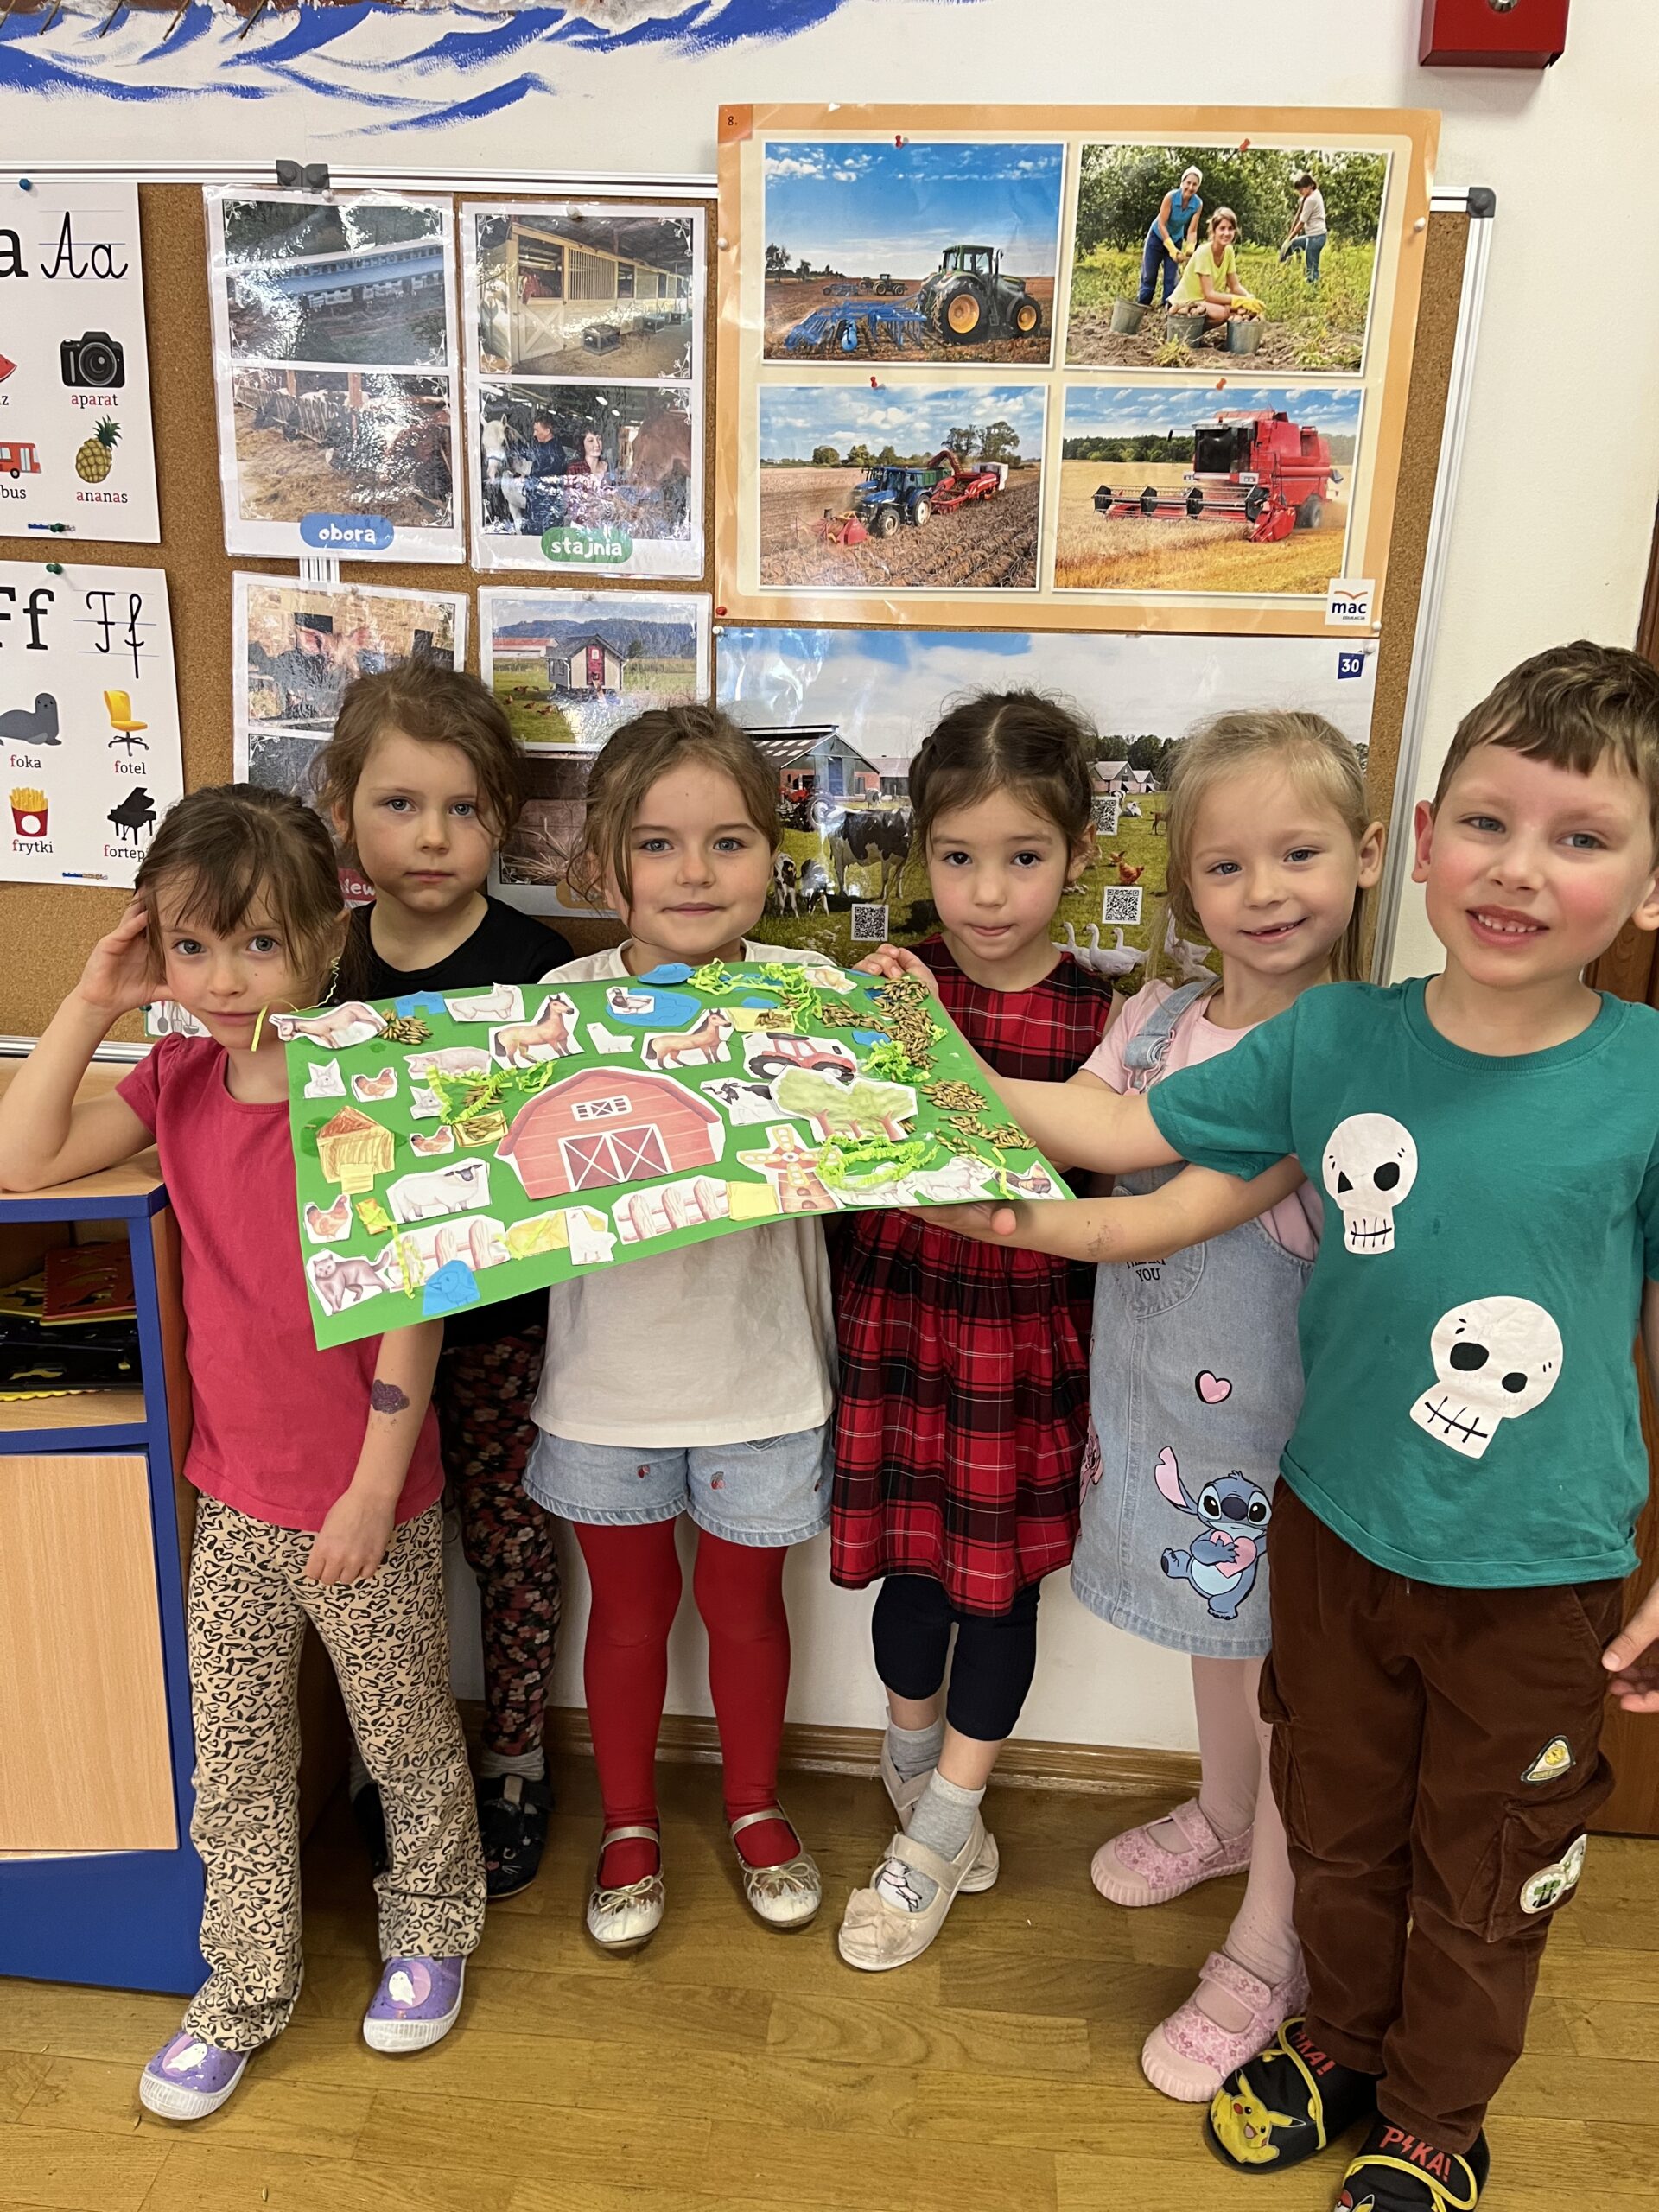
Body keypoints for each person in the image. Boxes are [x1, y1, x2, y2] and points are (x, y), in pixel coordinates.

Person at [928, 642, 1659, 2212]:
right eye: (1490, 822)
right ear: (1427, 835)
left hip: (1535, 1572)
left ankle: (1438, 2121)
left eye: (1583, 837)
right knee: (1333, 1820)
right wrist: (934, 1081)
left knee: (1486, 1864)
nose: (1520, 869)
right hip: (1327, 1527)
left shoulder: (1650, 1084)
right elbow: (1122, 1131)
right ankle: (1335, 2037)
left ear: (1651, 884)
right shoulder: (1333, 1043)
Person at [0, 786, 485, 2120]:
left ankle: (434, 1922)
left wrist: (373, 1491)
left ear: (328, 938)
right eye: (193, 946)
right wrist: (96, 995)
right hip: (234, 1502)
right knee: (235, 1761)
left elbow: (418, 1299)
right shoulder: (176, 1080)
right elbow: (25, 1158)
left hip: (366, 1503)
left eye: (259, 945)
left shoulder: (368, 1091)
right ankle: (246, 1984)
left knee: (402, 1735)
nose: (221, 981)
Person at [942, 715, 1384, 2094]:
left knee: (1292, 1686)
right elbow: (1078, 1118)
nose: (1264, 893)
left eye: (1299, 854)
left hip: (1284, 1445)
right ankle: (1226, 1814)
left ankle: (1273, 1941)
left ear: (1369, 855)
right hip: (1161, 1421)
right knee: (1216, 1642)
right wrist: (906, 1062)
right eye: (1226, 865)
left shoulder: (1345, 1057)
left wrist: (996, 1202)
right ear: (1183, 878)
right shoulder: (1152, 1019)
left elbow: (1142, 1214)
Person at [523, 703, 836, 1952]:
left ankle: (754, 1804)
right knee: (630, 1614)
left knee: (749, 1612)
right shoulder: (553, 1007)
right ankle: (630, 1821)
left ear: (772, 857)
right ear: (607, 868)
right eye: (658, 844)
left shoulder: (811, 997)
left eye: (728, 842)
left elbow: (893, 1136)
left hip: (764, 1376)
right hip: (608, 1385)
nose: (695, 873)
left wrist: (896, 1023)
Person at [829, 692, 1116, 1973]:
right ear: (921, 853)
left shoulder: (1105, 1022)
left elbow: (1117, 1201)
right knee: (910, 1571)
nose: (988, 892)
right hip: (899, 1323)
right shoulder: (890, 992)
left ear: (1079, 853)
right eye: (957, 856)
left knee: (997, 1592)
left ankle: (948, 1816)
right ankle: (910, 1758)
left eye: (1023, 856)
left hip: (1023, 1340)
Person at [319, 664, 572, 1899]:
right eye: (400, 804)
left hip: (501, 1327)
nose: (432, 836)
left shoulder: (536, 967)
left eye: (463, 809)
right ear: (341, 811)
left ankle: (516, 1756)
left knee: (508, 1546)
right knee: (387, 1557)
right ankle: (400, 1763)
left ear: (502, 820)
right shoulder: (320, 969)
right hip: (360, 1341)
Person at [1167, 207, 1262, 334]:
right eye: (1222, 228)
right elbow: (1209, 294)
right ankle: (1181, 330)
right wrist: (1238, 300)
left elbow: (1235, 286)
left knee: (1240, 310)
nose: (1226, 233)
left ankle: (1194, 335)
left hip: (1202, 303)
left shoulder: (1228, 251)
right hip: (1184, 302)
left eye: (1230, 228)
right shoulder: (1204, 252)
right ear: (1214, 231)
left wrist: (1249, 298)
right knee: (1222, 313)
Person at [1138, 165, 1205, 308]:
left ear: (1198, 187)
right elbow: (1162, 224)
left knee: (1171, 278)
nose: (1190, 187)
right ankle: (1143, 305)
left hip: (1176, 238)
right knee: (1149, 275)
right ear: (1182, 183)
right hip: (1157, 236)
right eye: (1188, 183)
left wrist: (1190, 248)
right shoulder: (1171, 197)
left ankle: (1168, 308)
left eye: (1195, 184)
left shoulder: (1197, 204)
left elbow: (1192, 231)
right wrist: (1171, 249)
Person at [1281, 170, 1330, 285]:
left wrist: (1288, 238)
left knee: (1311, 268)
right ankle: (1283, 266)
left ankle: (1313, 286)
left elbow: (1301, 224)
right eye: (1299, 190)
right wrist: (1289, 242)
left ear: (1310, 186)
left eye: (1302, 189)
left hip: (1316, 237)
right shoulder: (1315, 193)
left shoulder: (1311, 200)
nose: (1300, 192)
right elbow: (1302, 205)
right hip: (1315, 236)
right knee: (1293, 245)